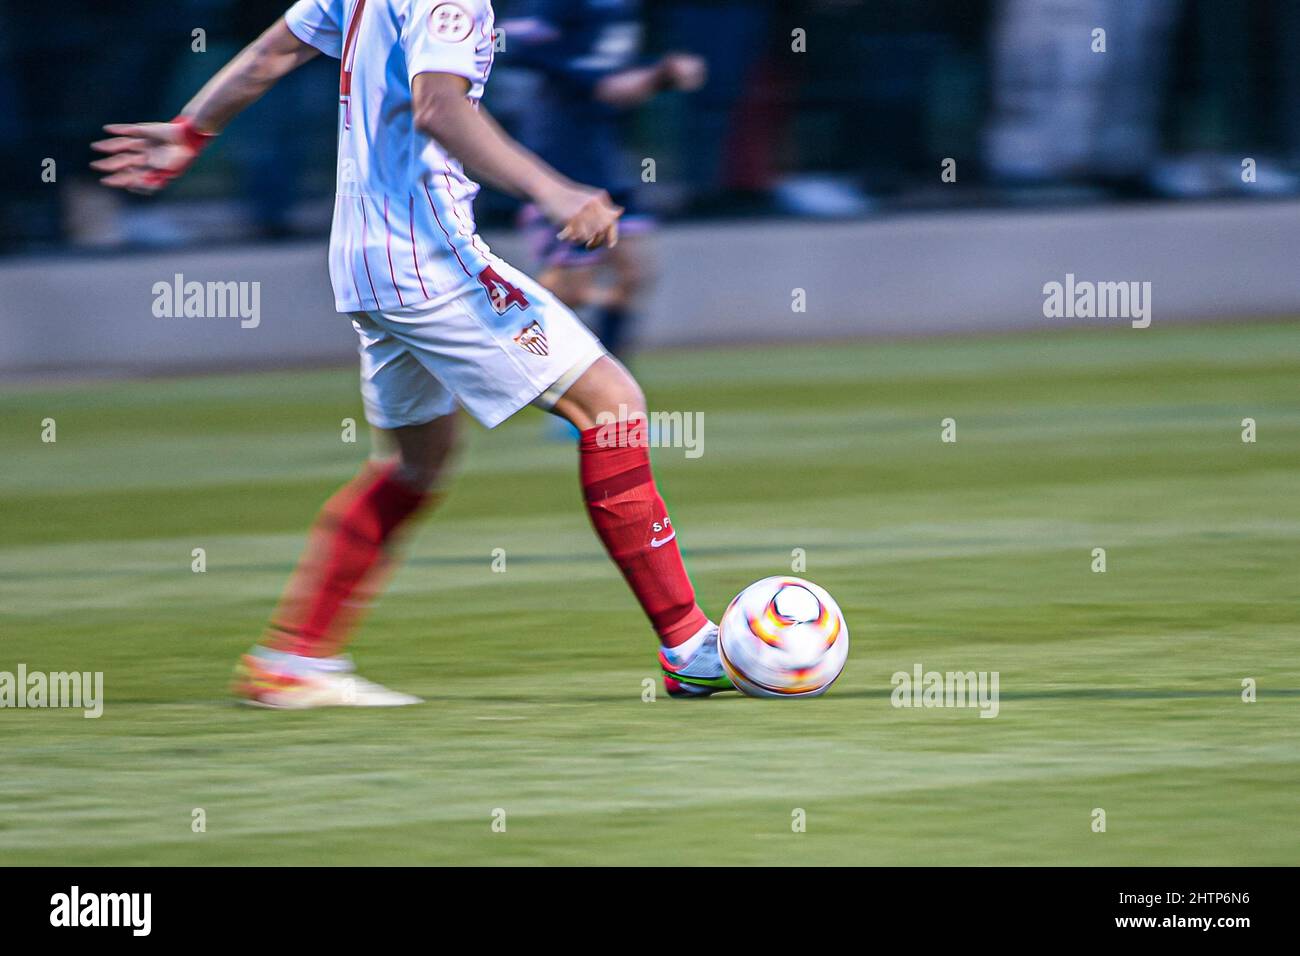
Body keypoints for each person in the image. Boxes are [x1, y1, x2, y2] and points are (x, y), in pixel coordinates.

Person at [91, 0, 731, 706]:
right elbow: (438, 107)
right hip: (426, 257)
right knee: (612, 403)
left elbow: (274, 51)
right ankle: (689, 644)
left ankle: (294, 659)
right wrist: (554, 190)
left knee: (415, 463)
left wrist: (190, 130)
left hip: (366, 262)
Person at [499, 0, 706, 360]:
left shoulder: (621, 7)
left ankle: (606, 399)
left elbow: (616, 82)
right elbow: (515, 46)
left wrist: (658, 74)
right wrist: (643, 77)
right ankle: (493, 346)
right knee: (572, 288)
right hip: (559, 155)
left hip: (602, 155)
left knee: (634, 273)